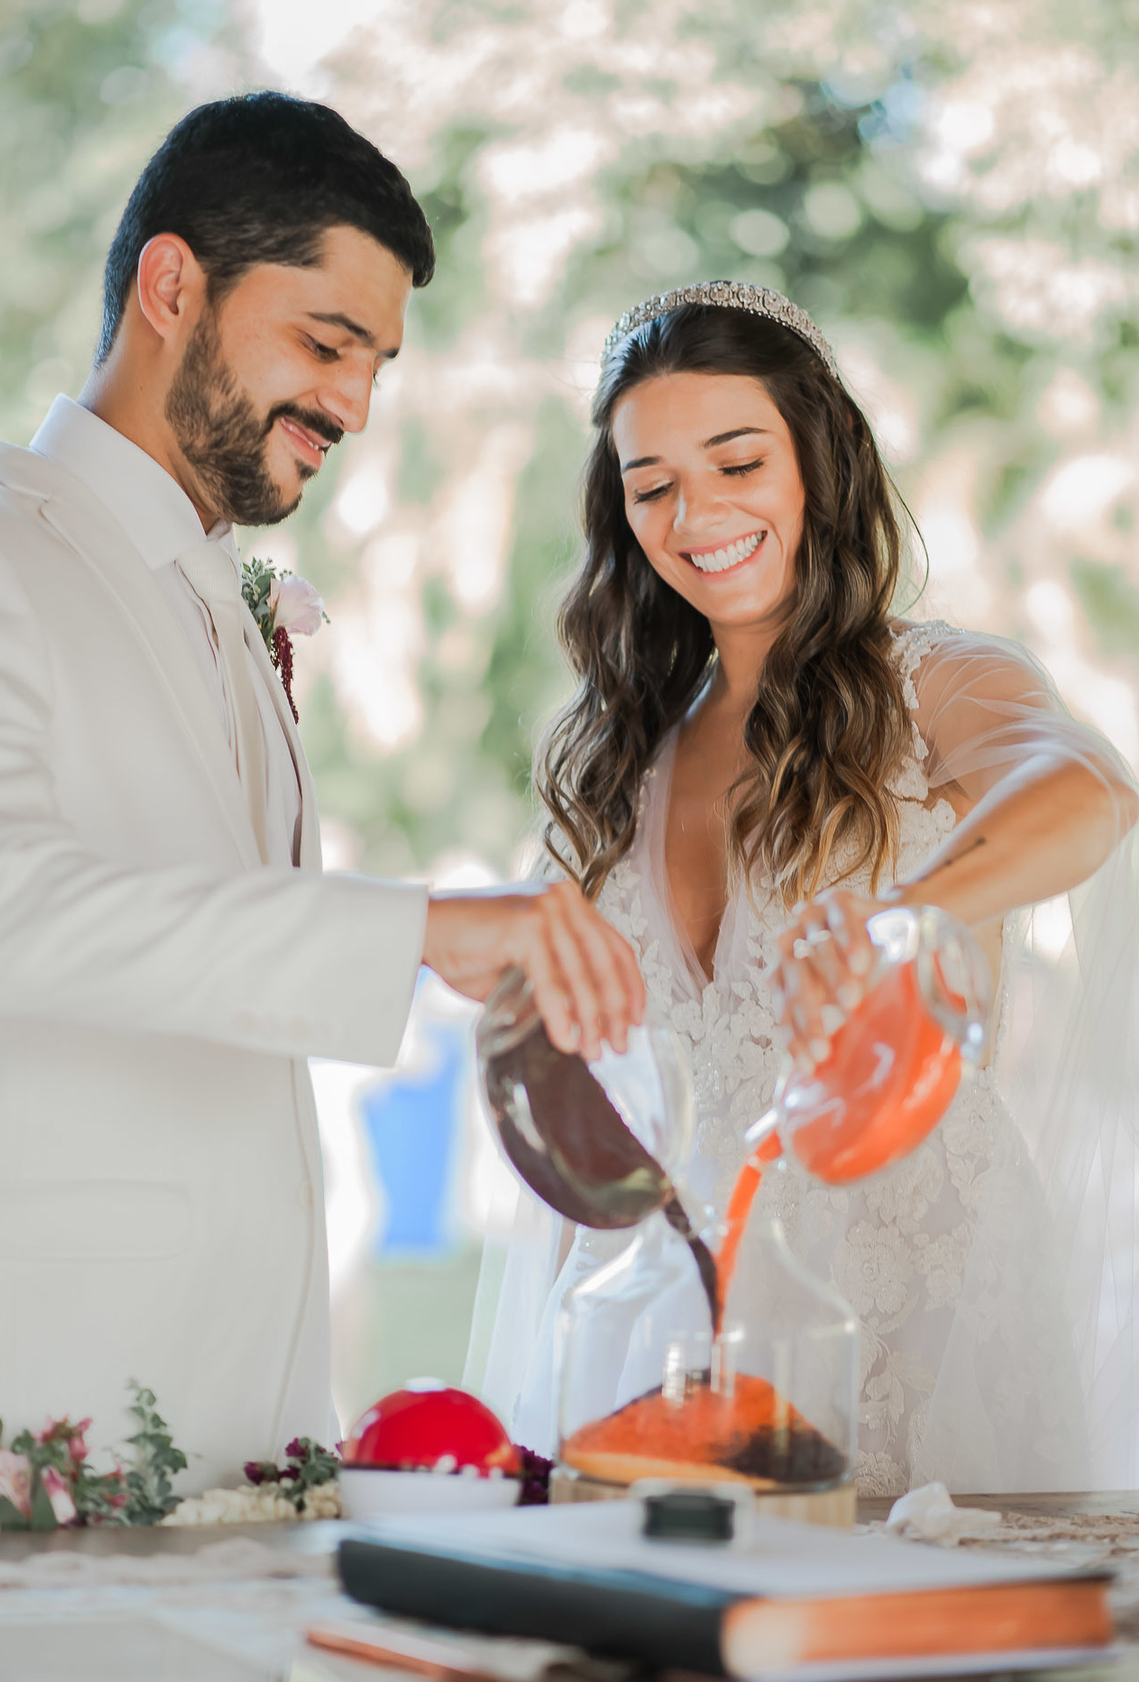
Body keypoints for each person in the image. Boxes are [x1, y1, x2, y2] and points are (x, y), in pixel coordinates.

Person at [0, 92, 643, 1491]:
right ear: (170, 285)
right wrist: (417, 931)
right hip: (34, 1415)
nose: (356, 404)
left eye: (377, 364)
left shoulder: (232, 599)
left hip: (242, 1427)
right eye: (327, 342)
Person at [472, 281, 1139, 1494]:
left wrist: (913, 918)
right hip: (661, 1320)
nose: (698, 512)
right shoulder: (613, 756)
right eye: (653, 483)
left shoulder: (936, 681)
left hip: (918, 1297)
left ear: (817, 462)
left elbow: (1089, 790)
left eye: (738, 461)